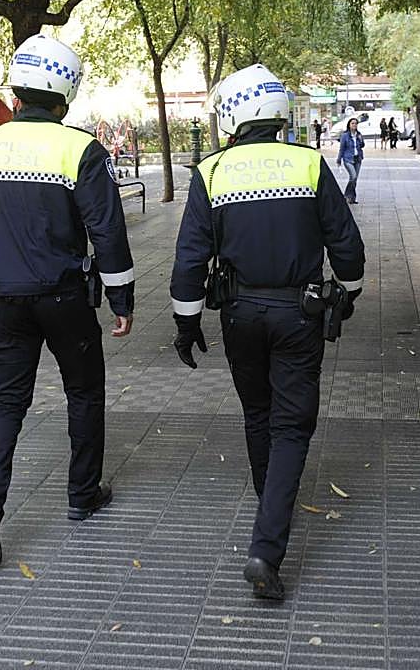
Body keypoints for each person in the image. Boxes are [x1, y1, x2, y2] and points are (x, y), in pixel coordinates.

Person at [169, 63, 365, 602]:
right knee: (292, 426)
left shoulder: (211, 172)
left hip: (238, 315)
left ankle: (268, 506)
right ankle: (266, 547)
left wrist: (186, 321)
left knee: (258, 413)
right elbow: (345, 241)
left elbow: (190, 258)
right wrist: (349, 292)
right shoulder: (308, 165)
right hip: (299, 313)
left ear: (233, 116)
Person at [0, 34, 135, 568]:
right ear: (66, 96)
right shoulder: (79, 149)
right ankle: (83, 495)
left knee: (6, 403)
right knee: (84, 391)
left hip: (3, 300)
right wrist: (121, 297)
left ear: (17, 89)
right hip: (64, 299)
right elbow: (107, 231)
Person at [337, 117, 365, 204]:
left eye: (356, 123)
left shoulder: (359, 134)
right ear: (349, 125)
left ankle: (352, 198)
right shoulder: (345, 135)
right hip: (348, 159)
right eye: (352, 123)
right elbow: (342, 148)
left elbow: (362, 145)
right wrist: (339, 159)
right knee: (353, 176)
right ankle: (346, 195)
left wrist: (360, 139)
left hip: (358, 158)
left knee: (354, 179)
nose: (354, 125)